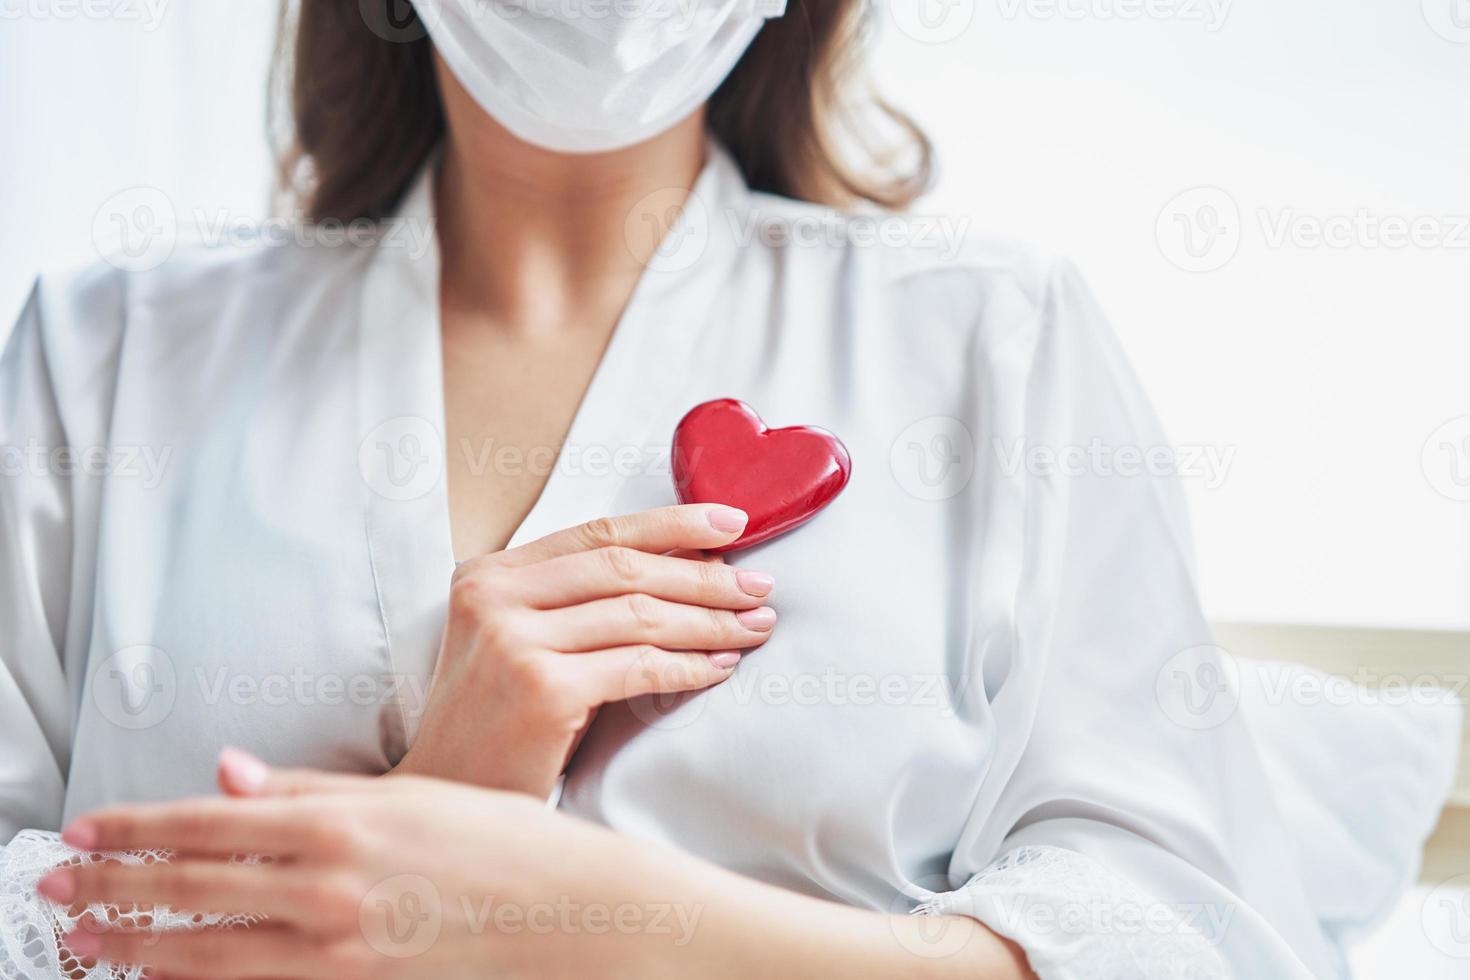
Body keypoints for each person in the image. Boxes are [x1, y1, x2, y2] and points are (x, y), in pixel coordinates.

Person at [1, 1, 1454, 977]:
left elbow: (1184, 931)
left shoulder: (990, 335)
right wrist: (423, 817)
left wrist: (593, 921)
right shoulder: (104, 344)